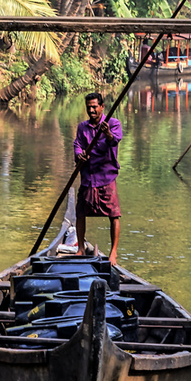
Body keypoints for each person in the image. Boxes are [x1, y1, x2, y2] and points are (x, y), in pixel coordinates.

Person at [73, 91, 123, 264]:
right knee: (80, 212)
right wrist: (79, 155)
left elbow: (114, 140)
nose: (92, 110)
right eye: (89, 107)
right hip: (88, 176)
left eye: (95, 107)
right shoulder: (82, 127)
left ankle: (113, 253)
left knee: (114, 214)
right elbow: (78, 144)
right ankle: (80, 248)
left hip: (106, 177)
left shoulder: (113, 124)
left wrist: (107, 133)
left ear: (102, 106)